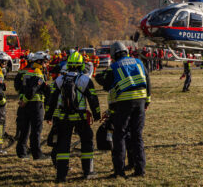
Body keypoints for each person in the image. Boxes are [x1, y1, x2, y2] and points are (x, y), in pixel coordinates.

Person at [45, 51, 101, 182]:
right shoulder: (85, 80)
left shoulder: (59, 79)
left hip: (63, 118)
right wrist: (96, 114)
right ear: (81, 65)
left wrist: (48, 115)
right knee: (87, 143)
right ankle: (88, 172)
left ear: (68, 65)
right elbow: (93, 99)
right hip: (80, 117)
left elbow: (51, 100)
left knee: (63, 146)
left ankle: (61, 176)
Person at [106, 42, 151, 178]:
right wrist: (147, 100)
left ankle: (119, 171)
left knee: (119, 135)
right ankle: (140, 170)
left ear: (114, 54)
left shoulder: (113, 66)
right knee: (137, 135)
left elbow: (107, 84)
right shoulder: (138, 62)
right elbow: (147, 80)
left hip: (124, 103)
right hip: (141, 101)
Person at [16, 51, 50, 160]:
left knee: (24, 129)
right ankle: (37, 154)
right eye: (45, 62)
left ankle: (22, 152)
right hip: (35, 105)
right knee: (36, 130)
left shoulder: (27, 72)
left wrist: (22, 100)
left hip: (25, 106)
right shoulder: (37, 73)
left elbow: (21, 88)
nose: (46, 64)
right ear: (39, 61)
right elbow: (33, 89)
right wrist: (25, 100)